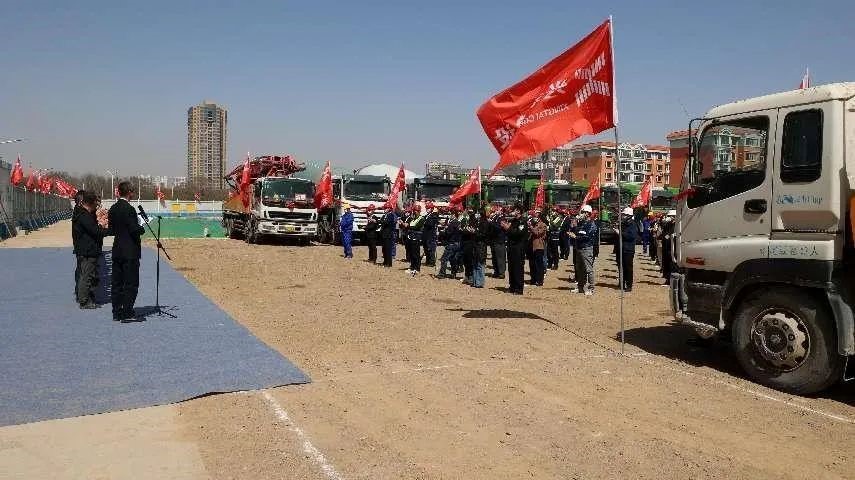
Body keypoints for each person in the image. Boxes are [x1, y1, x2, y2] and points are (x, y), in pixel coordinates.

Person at [108, 181, 145, 321]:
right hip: (130, 251)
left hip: (117, 249)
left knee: (117, 283)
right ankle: (127, 311)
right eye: (133, 191)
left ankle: (116, 312)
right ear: (129, 192)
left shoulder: (113, 208)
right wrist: (141, 228)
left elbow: (111, 229)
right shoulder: (129, 209)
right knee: (130, 283)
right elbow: (134, 229)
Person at [73, 192, 111, 309]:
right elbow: (95, 231)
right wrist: (109, 230)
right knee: (87, 275)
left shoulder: (83, 214)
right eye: (96, 204)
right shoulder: (84, 216)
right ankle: (84, 300)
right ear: (90, 203)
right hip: (87, 250)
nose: (97, 206)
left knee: (87, 274)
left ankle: (86, 297)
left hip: (87, 249)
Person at [569, 204, 598, 296]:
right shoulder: (581, 223)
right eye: (582, 212)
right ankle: (580, 287)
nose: (581, 214)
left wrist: (576, 237)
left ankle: (591, 288)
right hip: (579, 248)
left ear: (588, 213)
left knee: (588, 269)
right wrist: (573, 226)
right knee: (580, 269)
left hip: (586, 248)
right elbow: (576, 232)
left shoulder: (591, 224)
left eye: (584, 212)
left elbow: (587, 237)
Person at [501, 203, 528, 295]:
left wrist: (508, 228)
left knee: (518, 268)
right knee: (511, 267)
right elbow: (509, 233)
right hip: (511, 247)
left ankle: (519, 288)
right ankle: (512, 286)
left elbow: (518, 233)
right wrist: (505, 228)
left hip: (518, 247)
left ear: (519, 211)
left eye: (514, 210)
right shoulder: (514, 221)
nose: (513, 212)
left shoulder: (522, 221)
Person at [614, 207, 639, 292]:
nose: (622, 216)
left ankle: (629, 285)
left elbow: (631, 236)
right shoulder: (622, 224)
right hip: (620, 248)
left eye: (624, 215)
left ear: (629, 216)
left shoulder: (633, 224)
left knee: (628, 268)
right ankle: (622, 282)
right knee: (620, 267)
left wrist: (620, 233)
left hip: (628, 249)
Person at [438, 205, 462, 278]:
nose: (450, 215)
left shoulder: (453, 223)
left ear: (454, 215)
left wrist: (441, 232)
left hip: (451, 243)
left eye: (451, 214)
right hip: (457, 243)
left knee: (444, 259)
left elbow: (448, 233)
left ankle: (442, 274)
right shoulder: (458, 222)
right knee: (453, 259)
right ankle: (453, 273)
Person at [71, 190, 87, 300]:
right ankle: (82, 296)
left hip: (80, 245)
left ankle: (79, 293)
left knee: (81, 270)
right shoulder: (80, 213)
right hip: (82, 246)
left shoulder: (78, 211)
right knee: (83, 272)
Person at [470, 207, 489, 288]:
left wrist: (475, 232)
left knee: (480, 264)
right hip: (475, 244)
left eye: (478, 213)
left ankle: (480, 282)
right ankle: (475, 281)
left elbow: (483, 234)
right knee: (474, 263)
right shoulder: (477, 222)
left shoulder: (485, 222)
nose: (476, 214)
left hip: (481, 245)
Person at [487, 204, 507, 279]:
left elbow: (499, 227)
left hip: (499, 240)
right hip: (493, 240)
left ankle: (501, 273)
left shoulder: (502, 217)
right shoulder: (494, 217)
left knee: (500, 257)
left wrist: (491, 222)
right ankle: (496, 271)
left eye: (497, 209)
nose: (495, 210)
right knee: (494, 257)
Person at [528, 212, 547, 286]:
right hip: (531, 246)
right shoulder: (533, 224)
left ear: (539, 218)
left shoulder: (543, 225)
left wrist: (531, 227)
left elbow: (537, 233)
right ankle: (533, 279)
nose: (534, 218)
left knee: (539, 264)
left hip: (539, 246)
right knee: (532, 264)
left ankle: (540, 280)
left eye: (536, 216)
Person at [406, 204, 425, 276]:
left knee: (416, 254)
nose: (415, 212)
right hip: (411, 237)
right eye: (414, 211)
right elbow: (410, 226)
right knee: (411, 253)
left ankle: (417, 268)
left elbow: (417, 227)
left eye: (416, 211)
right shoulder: (413, 218)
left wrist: (408, 226)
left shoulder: (421, 219)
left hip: (416, 238)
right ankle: (412, 267)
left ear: (419, 211)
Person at [659, 210, 677, 286]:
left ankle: (670, 280)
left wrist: (667, 236)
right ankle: (667, 278)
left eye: (671, 216)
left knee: (671, 264)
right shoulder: (668, 224)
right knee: (666, 262)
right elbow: (664, 233)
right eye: (670, 216)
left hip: (671, 247)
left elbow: (672, 234)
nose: (670, 218)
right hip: (665, 246)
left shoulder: (676, 225)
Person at [459, 207, 476, 285]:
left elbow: (471, 231)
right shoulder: (464, 219)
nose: (466, 212)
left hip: (470, 242)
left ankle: (471, 277)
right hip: (464, 242)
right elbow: (461, 228)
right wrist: (463, 229)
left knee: (469, 260)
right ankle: (466, 276)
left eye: (469, 211)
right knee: (465, 260)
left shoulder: (473, 219)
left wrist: (464, 230)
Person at [422, 202, 439, 267]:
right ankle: (428, 261)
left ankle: (432, 262)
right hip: (425, 234)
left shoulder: (433, 216)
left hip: (431, 235)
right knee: (426, 248)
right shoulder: (426, 216)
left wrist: (425, 222)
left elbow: (430, 224)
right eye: (427, 208)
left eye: (428, 208)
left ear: (431, 209)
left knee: (431, 249)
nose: (427, 209)